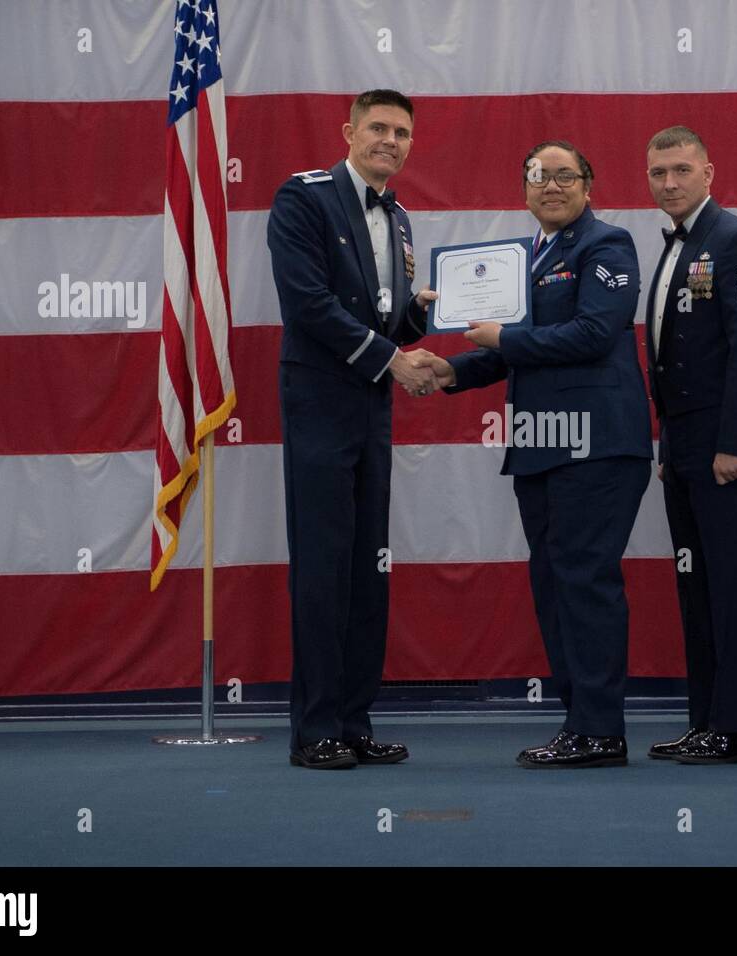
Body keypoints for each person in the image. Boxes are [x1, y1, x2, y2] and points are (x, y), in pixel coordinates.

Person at [419, 141, 652, 768]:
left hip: (596, 445)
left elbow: (594, 333)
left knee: (585, 583)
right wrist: (451, 370)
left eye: (564, 176)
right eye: (538, 176)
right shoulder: (524, 258)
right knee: (555, 586)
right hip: (541, 446)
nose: (551, 185)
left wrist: (506, 337)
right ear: (523, 190)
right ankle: (580, 723)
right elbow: (513, 349)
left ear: (589, 186)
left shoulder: (607, 245)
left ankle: (600, 731)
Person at [267, 89, 440, 770]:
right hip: (320, 402)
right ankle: (315, 729)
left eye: (402, 133)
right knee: (323, 567)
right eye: (378, 128)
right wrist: (393, 358)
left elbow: (386, 318)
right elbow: (307, 304)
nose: (390, 141)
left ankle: (354, 721)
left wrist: (421, 315)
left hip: (372, 406)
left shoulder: (400, 217)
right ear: (349, 131)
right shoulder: (303, 197)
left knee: (369, 567)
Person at [642, 126, 737, 764]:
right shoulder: (677, 243)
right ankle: (706, 720)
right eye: (658, 172)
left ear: (708, 173)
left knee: (730, 586)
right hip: (684, 446)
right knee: (696, 587)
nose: (669, 183)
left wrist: (735, 443)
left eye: (680, 170)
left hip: (724, 446)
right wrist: (668, 446)